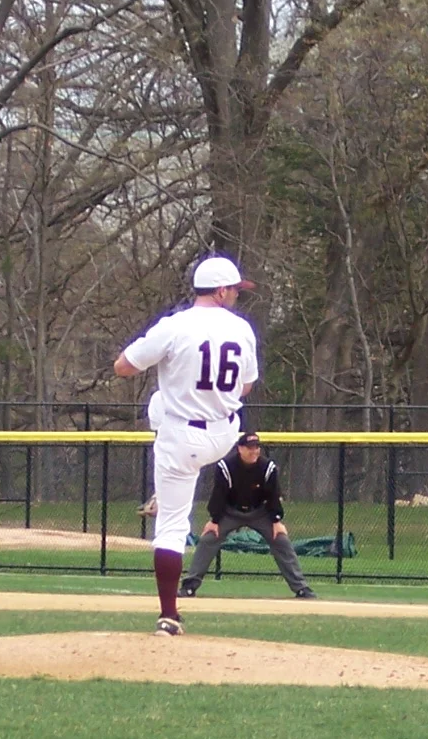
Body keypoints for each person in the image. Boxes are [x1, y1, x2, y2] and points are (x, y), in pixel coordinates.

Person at [115, 255, 260, 635]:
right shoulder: (242, 329)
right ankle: (166, 490)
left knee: (172, 527)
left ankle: (168, 615)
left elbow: (123, 367)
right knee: (189, 408)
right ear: (222, 290)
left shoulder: (175, 326)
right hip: (226, 433)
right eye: (235, 290)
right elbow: (246, 386)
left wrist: (165, 362)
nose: (236, 297)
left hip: (180, 439)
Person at [182, 432, 317, 600]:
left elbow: (273, 495)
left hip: (260, 512)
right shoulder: (226, 466)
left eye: (257, 447)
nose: (254, 451)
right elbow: (219, 494)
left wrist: (276, 520)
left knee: (281, 540)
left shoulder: (267, 467)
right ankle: (189, 587)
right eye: (250, 448)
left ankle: (301, 588)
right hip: (231, 511)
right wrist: (214, 520)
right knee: (209, 538)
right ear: (240, 449)